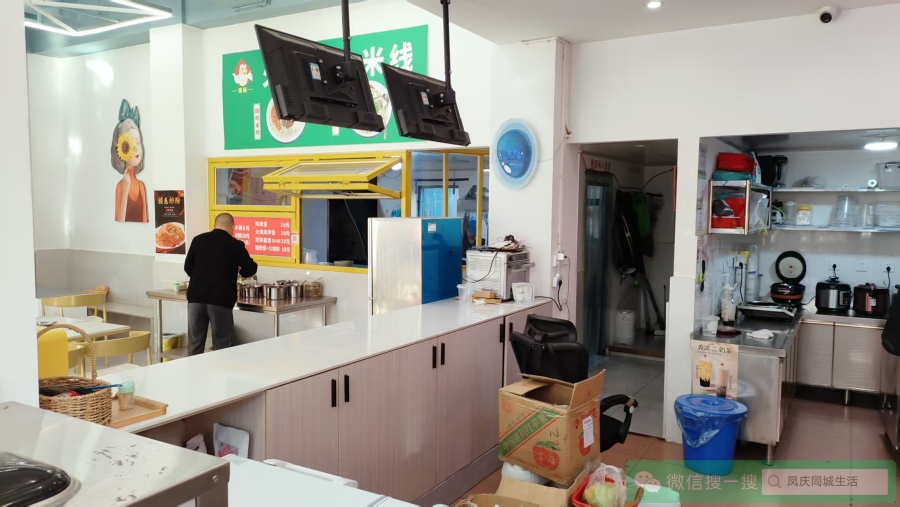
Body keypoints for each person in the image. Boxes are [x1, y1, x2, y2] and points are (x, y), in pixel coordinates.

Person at [184, 213, 258, 355]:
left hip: (196, 298)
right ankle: (219, 369)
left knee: (194, 342)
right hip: (220, 300)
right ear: (232, 227)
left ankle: (192, 368)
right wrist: (239, 268)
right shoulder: (235, 245)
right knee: (221, 343)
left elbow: (188, 267)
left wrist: (201, 277)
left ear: (214, 225)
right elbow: (250, 269)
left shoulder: (198, 240)